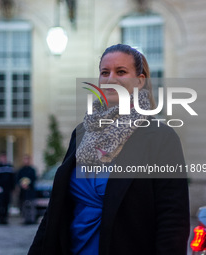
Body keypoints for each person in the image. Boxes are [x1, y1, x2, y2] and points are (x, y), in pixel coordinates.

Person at [28, 44, 190, 255]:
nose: (110, 79)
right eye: (105, 72)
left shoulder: (160, 137)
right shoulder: (83, 133)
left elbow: (173, 220)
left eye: (121, 72)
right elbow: (56, 211)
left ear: (140, 81)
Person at [0, 152, 15, 225]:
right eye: (2, 157)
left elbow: (12, 178)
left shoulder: (9, 166)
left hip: (7, 188)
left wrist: (13, 188)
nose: (3, 159)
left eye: (4, 157)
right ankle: (0, 218)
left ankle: (5, 218)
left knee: (6, 203)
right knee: (0, 204)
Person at [16, 154, 37, 224]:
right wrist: (21, 185)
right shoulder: (21, 170)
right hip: (23, 192)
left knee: (31, 206)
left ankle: (31, 219)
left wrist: (28, 185)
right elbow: (18, 179)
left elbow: (34, 179)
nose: (26, 161)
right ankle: (25, 219)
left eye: (27, 159)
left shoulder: (32, 170)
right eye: (25, 159)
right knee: (23, 206)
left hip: (30, 191)